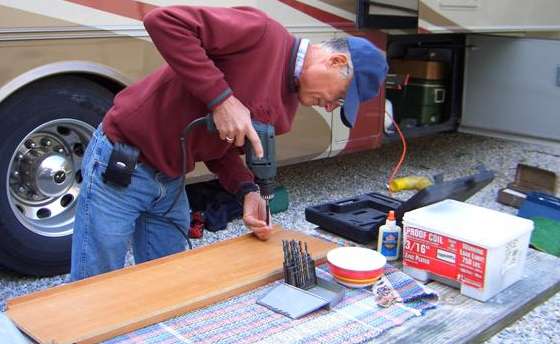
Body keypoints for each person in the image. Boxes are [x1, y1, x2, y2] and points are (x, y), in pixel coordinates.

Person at [70, 5, 387, 281]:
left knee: (165, 284)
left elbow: (220, 146)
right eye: (340, 96)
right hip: (124, 162)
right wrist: (222, 100)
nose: (331, 106)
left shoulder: (286, 110)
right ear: (335, 61)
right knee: (95, 285)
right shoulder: (262, 34)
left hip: (170, 180)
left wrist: (246, 191)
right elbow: (163, 21)